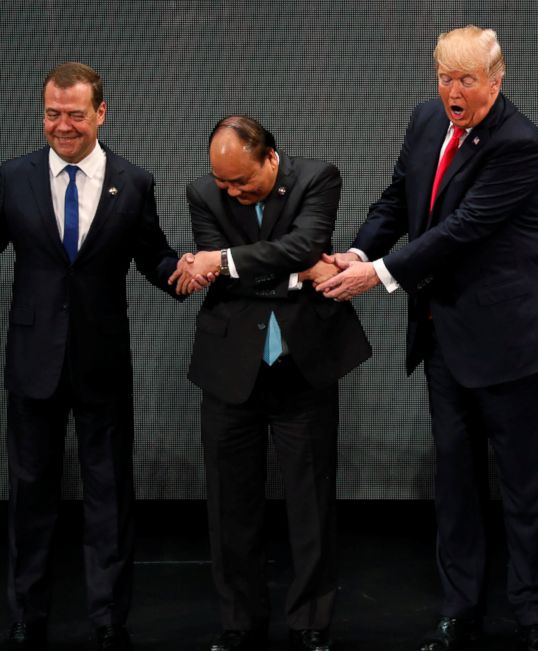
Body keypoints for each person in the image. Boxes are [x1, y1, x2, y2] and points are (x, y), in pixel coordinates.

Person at [316, 25, 538, 651]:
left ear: (497, 78)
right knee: (455, 482)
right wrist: (359, 247)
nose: (453, 91)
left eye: (466, 80)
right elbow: (397, 198)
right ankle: (460, 609)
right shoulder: (426, 119)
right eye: (444, 77)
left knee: (529, 485)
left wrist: (375, 275)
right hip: (447, 338)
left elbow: (462, 229)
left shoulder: (518, 142)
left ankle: (536, 614)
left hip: (517, 339)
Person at [0, 62, 202, 651]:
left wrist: (183, 272)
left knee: (109, 494)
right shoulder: (12, 178)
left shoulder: (133, 182)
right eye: (52, 114)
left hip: (101, 364)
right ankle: (26, 615)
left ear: (101, 113)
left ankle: (108, 619)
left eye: (75, 115)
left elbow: (152, 255)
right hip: (32, 362)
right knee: (30, 494)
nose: (62, 126)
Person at [172, 116, 370, 651]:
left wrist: (229, 262)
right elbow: (280, 265)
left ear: (270, 159)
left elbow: (303, 244)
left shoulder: (317, 179)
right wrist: (298, 275)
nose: (231, 193)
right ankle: (239, 624)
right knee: (229, 505)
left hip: (302, 368)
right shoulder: (202, 193)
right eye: (223, 184)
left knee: (311, 503)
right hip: (229, 370)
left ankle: (311, 624)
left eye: (243, 183)